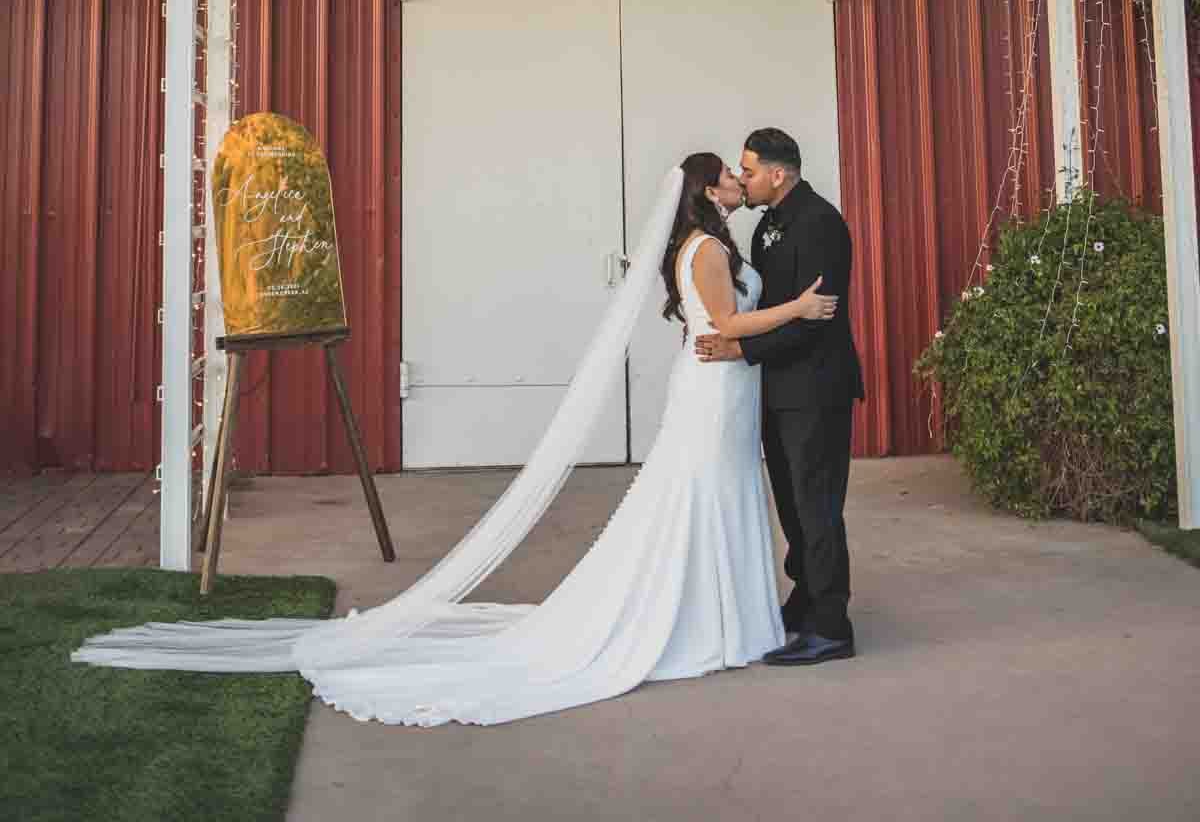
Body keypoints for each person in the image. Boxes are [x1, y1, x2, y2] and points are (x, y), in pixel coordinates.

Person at [73, 153, 836, 726]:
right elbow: (726, 325)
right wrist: (800, 308)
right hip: (711, 396)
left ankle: (737, 619)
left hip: (733, 389)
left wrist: (751, 332)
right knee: (699, 497)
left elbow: (726, 332)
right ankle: (702, 623)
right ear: (708, 191)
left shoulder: (725, 246)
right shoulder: (702, 252)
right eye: (730, 179)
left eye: (747, 175)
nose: (740, 185)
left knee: (731, 493)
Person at [695, 127, 865, 666]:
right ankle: (807, 598)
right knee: (792, 506)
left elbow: (816, 318)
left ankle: (833, 625)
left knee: (817, 508)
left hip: (816, 388)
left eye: (748, 171)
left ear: (778, 173)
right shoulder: (769, 221)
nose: (742, 179)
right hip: (778, 388)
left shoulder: (820, 224)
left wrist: (740, 350)